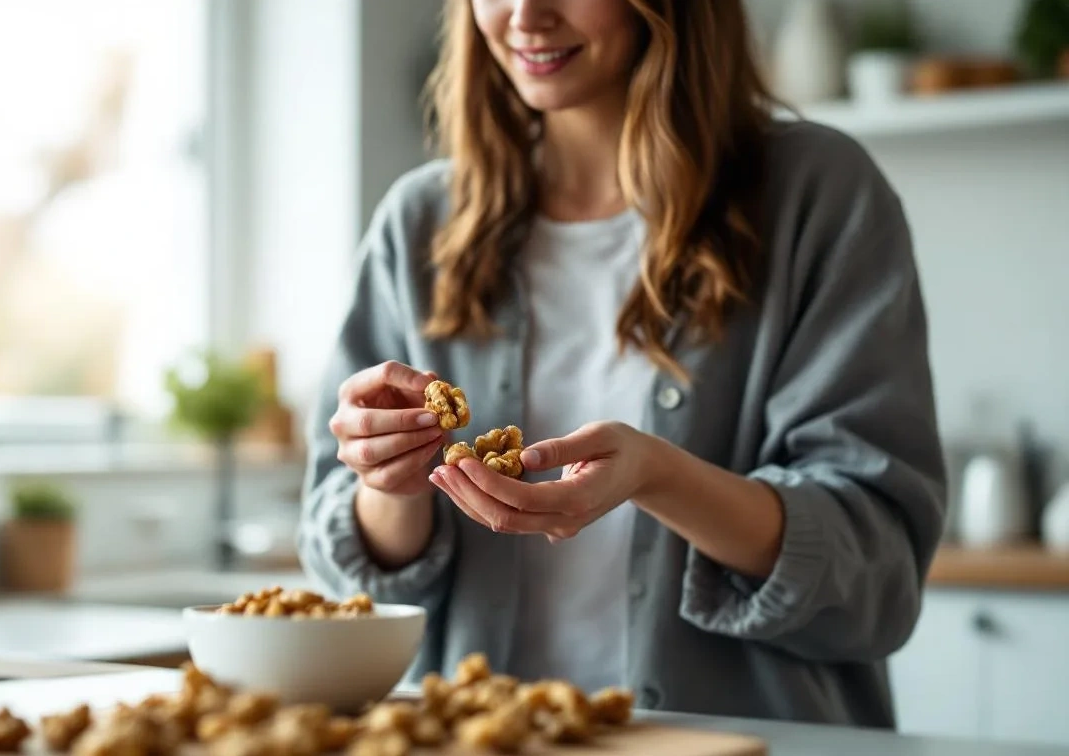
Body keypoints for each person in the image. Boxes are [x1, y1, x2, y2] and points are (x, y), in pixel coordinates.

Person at [297, 0, 947, 729]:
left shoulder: (818, 195)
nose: (525, 16)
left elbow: (879, 573)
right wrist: (392, 480)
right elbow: (352, 578)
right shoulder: (420, 223)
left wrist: (659, 477)